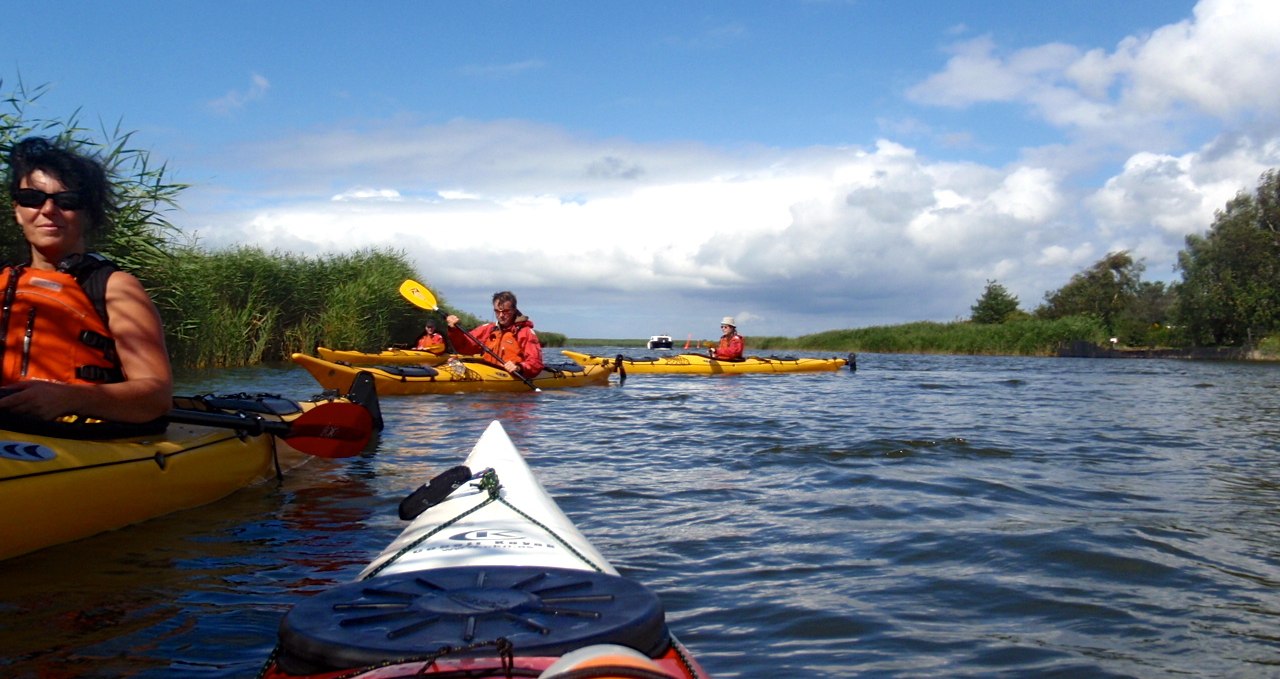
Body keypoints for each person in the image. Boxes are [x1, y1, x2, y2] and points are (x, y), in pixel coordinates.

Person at [0, 137, 173, 423]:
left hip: (78, 436)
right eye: (32, 198)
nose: (48, 210)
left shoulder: (113, 287)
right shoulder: (5, 283)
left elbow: (155, 397)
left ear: (88, 213)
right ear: (16, 210)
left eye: (67, 201)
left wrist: (68, 398)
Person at [444, 290, 543, 379]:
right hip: (488, 373)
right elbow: (464, 347)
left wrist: (519, 367)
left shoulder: (524, 332)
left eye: (505, 311)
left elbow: (535, 362)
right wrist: (454, 330)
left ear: (513, 310)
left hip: (513, 377)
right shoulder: (488, 329)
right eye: (497, 311)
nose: (501, 315)